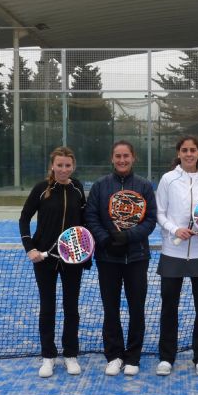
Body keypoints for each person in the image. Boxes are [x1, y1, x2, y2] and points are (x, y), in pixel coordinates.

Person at [85, 140, 157, 377]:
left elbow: (150, 220)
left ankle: (133, 356)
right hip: (107, 259)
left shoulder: (144, 186)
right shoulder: (100, 186)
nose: (122, 160)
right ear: (112, 158)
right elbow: (91, 216)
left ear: (133, 157)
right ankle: (114, 356)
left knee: (137, 308)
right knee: (111, 309)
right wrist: (105, 240)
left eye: (126, 156)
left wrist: (126, 237)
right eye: (118, 156)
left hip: (137, 258)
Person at [19, 146, 89, 379]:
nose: (63, 169)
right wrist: (30, 248)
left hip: (72, 259)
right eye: (59, 165)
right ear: (52, 166)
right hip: (44, 261)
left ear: (73, 166)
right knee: (47, 308)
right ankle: (48, 357)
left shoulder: (78, 188)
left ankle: (71, 355)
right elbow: (24, 218)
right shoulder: (41, 189)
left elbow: (84, 222)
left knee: (72, 308)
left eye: (67, 165)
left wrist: (83, 251)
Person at [155, 135, 198, 377]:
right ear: (178, 153)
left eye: (193, 150)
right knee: (169, 307)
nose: (189, 154)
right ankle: (166, 357)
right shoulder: (168, 179)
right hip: (173, 251)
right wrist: (175, 230)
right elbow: (160, 213)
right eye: (185, 150)